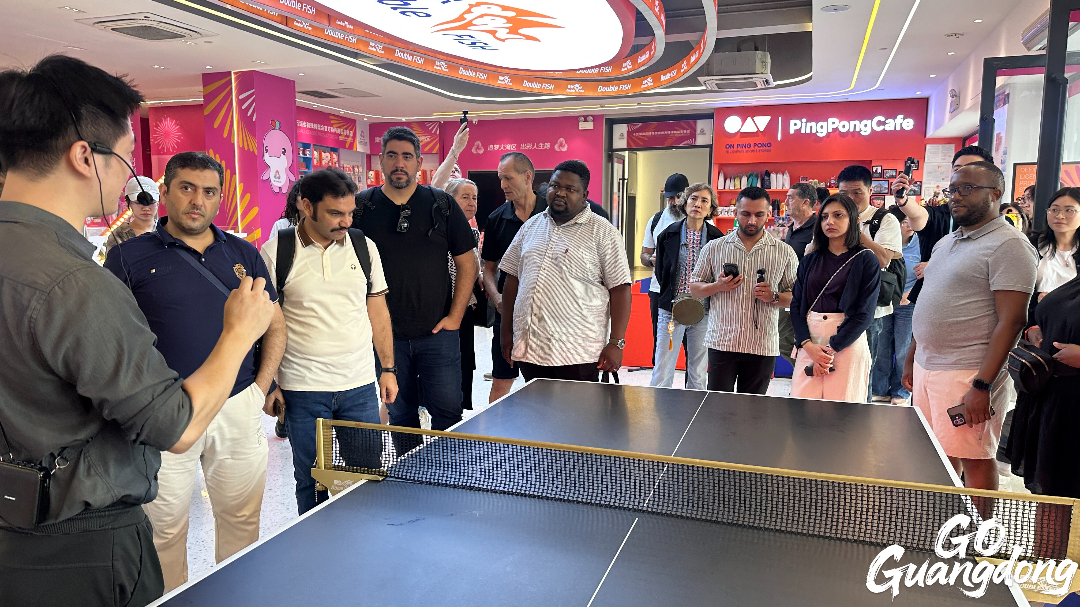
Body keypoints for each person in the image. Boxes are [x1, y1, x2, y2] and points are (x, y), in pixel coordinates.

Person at [0, 54, 272, 607]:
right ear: (85, 157)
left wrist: (260, 385)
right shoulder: (77, 282)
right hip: (80, 546)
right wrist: (239, 333)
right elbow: (175, 426)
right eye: (126, 159)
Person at [104, 151, 286, 591]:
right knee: (163, 530)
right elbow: (113, 338)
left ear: (220, 198)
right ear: (165, 192)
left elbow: (275, 324)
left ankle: (238, 597)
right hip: (164, 413)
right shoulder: (127, 258)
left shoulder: (243, 253)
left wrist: (259, 388)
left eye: (209, 192)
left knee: (242, 521)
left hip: (237, 405)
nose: (197, 200)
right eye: (186, 188)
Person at [259, 167, 397, 514]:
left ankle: (364, 539)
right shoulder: (276, 252)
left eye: (350, 212)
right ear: (307, 206)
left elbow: (378, 310)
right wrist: (269, 384)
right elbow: (262, 325)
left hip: (359, 386)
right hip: (302, 389)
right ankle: (316, 542)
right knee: (311, 480)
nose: (345, 221)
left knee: (366, 477)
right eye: (335, 213)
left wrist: (388, 369)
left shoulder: (364, 248)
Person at [902, 161, 1037, 491]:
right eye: (952, 189)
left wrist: (982, 385)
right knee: (938, 452)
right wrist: (912, 357)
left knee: (975, 456)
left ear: (995, 193)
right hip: (928, 366)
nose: (956, 196)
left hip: (969, 372)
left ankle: (980, 526)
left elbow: (1012, 320)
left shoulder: (1010, 245)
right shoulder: (946, 242)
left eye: (967, 188)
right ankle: (947, 516)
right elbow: (929, 303)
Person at [353, 126, 477, 435]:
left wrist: (455, 316)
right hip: (385, 336)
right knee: (400, 415)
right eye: (392, 155)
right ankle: (409, 468)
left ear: (418, 162)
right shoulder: (361, 208)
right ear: (381, 160)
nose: (399, 163)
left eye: (407, 156)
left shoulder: (441, 204)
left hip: (438, 334)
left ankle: (447, 467)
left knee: (448, 414)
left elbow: (467, 263)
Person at [499, 160, 632, 381]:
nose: (560, 193)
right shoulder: (530, 227)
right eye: (555, 186)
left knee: (577, 405)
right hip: (530, 348)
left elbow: (620, 289)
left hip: (578, 353)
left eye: (570, 189)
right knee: (534, 403)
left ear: (584, 195)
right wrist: (506, 332)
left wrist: (616, 342)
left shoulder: (604, 232)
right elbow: (512, 279)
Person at [1006, 187, 1080, 499]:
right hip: (1044, 356)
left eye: (1069, 209)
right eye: (1054, 209)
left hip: (1072, 363)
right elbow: (1019, 297)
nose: (1060, 215)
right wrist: (1032, 326)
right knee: (1048, 464)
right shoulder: (1032, 246)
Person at [689, 186, 798, 394]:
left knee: (753, 409)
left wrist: (774, 296)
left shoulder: (784, 252)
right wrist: (717, 286)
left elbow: (797, 298)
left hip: (762, 344)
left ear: (769, 214)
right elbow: (694, 289)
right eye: (746, 214)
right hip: (722, 341)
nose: (752, 221)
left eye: (759, 215)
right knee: (718, 406)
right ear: (735, 212)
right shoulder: (714, 248)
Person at [790, 194, 881, 402]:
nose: (829, 222)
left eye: (838, 215)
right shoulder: (810, 260)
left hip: (847, 341)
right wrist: (808, 345)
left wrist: (831, 350)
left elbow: (864, 314)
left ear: (854, 220)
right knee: (802, 406)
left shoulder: (866, 259)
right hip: (810, 340)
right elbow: (797, 306)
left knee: (843, 410)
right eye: (824, 217)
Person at [892, 145, 994, 302]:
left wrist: (937, 265)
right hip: (934, 304)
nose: (963, 174)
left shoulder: (998, 227)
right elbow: (918, 215)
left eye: (972, 169)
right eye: (957, 169)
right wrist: (902, 199)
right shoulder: (939, 215)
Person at [836, 165, 903, 402]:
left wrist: (855, 231)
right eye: (844, 194)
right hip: (831, 308)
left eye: (857, 193)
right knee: (833, 372)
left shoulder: (884, 220)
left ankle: (859, 419)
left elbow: (883, 259)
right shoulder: (832, 217)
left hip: (868, 311)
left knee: (861, 374)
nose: (850, 199)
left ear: (870, 191)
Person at [481, 152, 543, 403]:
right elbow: (488, 269)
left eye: (508, 178)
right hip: (507, 315)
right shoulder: (496, 219)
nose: (502, 185)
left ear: (527, 177)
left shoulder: (551, 212)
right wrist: (496, 297)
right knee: (501, 380)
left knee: (543, 383)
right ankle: (493, 430)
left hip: (546, 316)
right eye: (500, 178)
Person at [649, 183, 723, 389]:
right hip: (671, 311)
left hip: (704, 312)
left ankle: (694, 407)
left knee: (698, 371)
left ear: (710, 209)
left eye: (704, 201)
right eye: (693, 198)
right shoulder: (667, 234)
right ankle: (659, 406)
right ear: (684, 203)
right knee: (663, 368)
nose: (698, 204)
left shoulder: (718, 238)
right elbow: (661, 272)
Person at [870, 213, 920, 404]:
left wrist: (910, 295)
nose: (909, 225)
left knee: (903, 349)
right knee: (882, 347)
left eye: (911, 221)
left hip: (908, 303)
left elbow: (926, 273)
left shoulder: (920, 243)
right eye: (905, 221)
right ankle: (880, 388)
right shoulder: (883, 241)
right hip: (886, 300)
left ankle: (901, 391)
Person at [639, 173, 689, 360]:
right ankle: (660, 374)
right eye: (670, 198)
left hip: (691, 291)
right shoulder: (656, 220)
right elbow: (644, 254)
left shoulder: (702, 220)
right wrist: (651, 259)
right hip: (659, 290)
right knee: (661, 342)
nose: (674, 202)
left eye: (678, 197)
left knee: (692, 345)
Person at [444, 177, 483, 410]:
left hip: (465, 310)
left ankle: (457, 413)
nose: (471, 203)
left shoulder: (473, 233)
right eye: (465, 197)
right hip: (442, 310)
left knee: (464, 364)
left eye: (474, 198)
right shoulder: (439, 233)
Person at [778, 183, 819, 367]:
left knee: (803, 340)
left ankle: (807, 373)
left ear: (805, 202)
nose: (786, 202)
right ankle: (803, 372)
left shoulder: (818, 228)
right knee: (783, 340)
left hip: (809, 297)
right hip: (790, 294)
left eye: (790, 198)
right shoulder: (792, 227)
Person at [106, 175, 159, 250]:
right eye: (138, 203)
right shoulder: (119, 235)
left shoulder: (167, 232)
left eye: (151, 202)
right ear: (129, 203)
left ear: (157, 203)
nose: (146, 208)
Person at [431, 122, 470, 190]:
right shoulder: (438, 193)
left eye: (457, 170)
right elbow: (437, 184)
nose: (453, 171)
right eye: (450, 170)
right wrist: (456, 149)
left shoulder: (467, 190)